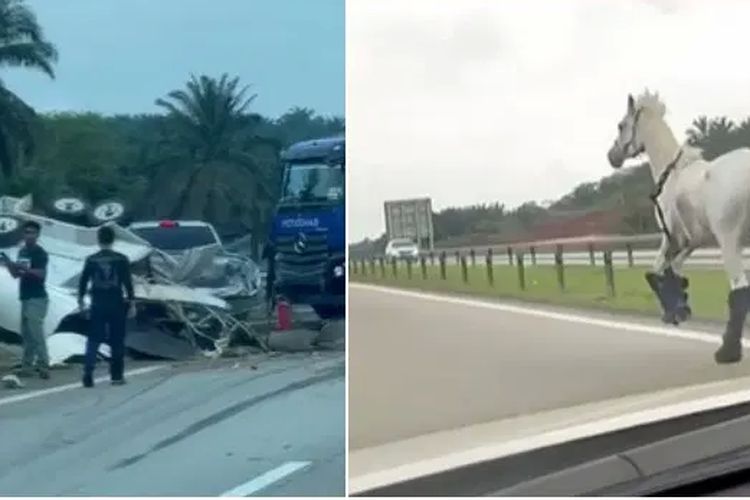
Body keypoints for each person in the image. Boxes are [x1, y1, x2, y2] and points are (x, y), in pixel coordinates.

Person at [77, 225, 135, 388]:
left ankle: (88, 373)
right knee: (117, 340)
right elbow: (127, 283)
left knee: (94, 339)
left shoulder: (91, 260)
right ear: (113, 239)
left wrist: (81, 302)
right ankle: (117, 376)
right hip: (116, 302)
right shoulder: (121, 259)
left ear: (98, 239)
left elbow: (83, 282)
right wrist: (132, 303)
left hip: (97, 303)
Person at [0, 220, 50, 379]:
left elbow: (41, 274)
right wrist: (9, 264)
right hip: (26, 296)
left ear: (37, 235)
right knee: (27, 335)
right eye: (27, 232)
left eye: (32, 232)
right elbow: (17, 275)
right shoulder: (22, 252)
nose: (29, 235)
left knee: (36, 333)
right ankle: (27, 367)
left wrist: (24, 268)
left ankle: (44, 364)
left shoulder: (40, 253)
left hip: (37, 297)